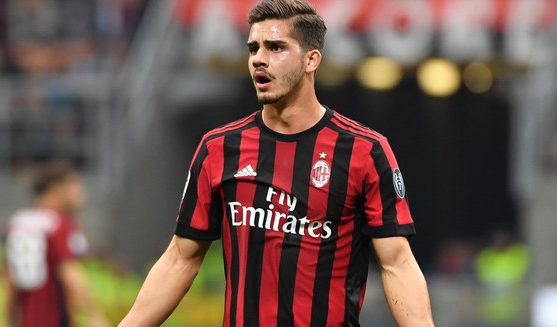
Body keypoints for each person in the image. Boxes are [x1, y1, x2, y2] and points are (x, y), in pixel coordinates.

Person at [121, 0, 434, 326]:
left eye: (275, 47)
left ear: (311, 59)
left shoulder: (364, 151)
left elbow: (397, 263)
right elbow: (180, 259)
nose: (259, 59)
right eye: (253, 48)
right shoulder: (219, 148)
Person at [4, 161, 109, 327]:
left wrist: (7, 320)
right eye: (76, 186)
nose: (82, 194)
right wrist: (94, 317)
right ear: (56, 188)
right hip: (55, 319)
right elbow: (70, 272)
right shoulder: (59, 224)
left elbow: (10, 277)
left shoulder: (19, 223)